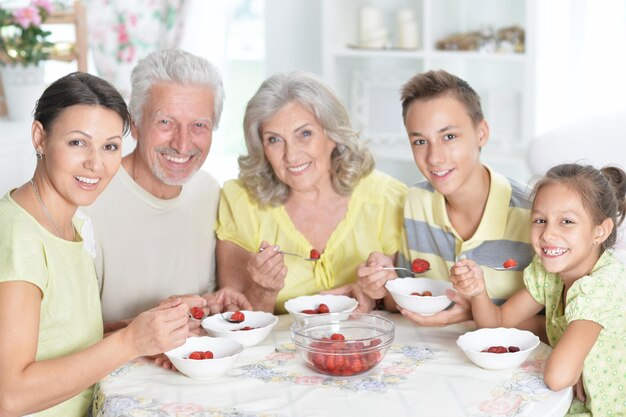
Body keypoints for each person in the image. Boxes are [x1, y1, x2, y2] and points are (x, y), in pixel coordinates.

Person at [0, 72, 189, 417]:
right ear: (39, 138)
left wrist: (143, 331)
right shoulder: (18, 237)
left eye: (110, 146)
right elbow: (9, 395)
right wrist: (129, 342)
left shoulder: (70, 224)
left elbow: (57, 339)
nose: (96, 163)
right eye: (77, 142)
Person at [83, 49, 250, 334]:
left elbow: (202, 304)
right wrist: (154, 325)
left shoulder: (208, 191)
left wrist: (212, 305)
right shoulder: (88, 199)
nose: (183, 145)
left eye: (199, 125)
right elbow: (64, 337)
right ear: (134, 124)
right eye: (165, 122)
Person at [356, 70, 538, 329]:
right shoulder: (416, 202)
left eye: (449, 137)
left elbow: (558, 323)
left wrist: (476, 315)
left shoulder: (533, 214)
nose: (434, 157)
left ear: (481, 133)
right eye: (420, 141)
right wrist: (381, 284)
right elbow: (412, 297)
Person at [216, 71, 407, 313]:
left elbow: (402, 306)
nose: (291, 155)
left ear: (333, 135)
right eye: (274, 140)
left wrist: (378, 292)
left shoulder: (388, 198)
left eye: (305, 134)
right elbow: (234, 318)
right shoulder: (241, 201)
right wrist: (263, 290)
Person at [452, 163, 626, 416]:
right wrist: (479, 291)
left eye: (566, 221)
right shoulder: (550, 274)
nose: (548, 233)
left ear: (600, 231)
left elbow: (558, 377)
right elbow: (498, 324)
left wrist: (571, 361)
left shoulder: (601, 287)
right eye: (540, 220)